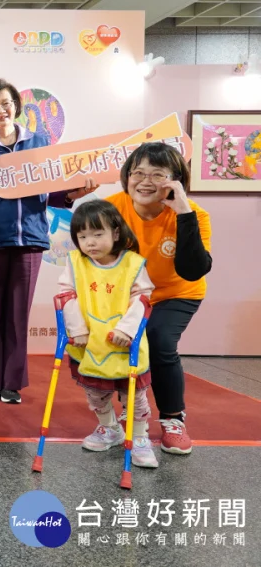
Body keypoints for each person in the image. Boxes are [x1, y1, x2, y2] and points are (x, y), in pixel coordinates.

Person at [0, 78, 97, 404]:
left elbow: (49, 188)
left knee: (18, 315)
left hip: (29, 238)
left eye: (6, 103)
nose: (1, 110)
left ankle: (11, 383)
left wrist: (74, 194)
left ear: (16, 107)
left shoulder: (38, 142)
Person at [106, 142, 211, 455]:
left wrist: (183, 213)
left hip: (176, 292)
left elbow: (193, 271)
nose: (145, 181)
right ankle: (131, 409)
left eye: (157, 174)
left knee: (159, 339)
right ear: (127, 176)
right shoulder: (110, 209)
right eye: (138, 173)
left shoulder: (194, 214)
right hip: (126, 295)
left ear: (175, 180)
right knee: (120, 339)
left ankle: (173, 418)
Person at [58, 200, 158, 468]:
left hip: (125, 343)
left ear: (115, 232)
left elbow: (142, 300)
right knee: (95, 392)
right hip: (89, 342)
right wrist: (77, 330)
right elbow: (67, 296)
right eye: (82, 237)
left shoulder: (132, 263)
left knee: (133, 394)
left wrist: (127, 329)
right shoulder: (76, 262)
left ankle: (139, 437)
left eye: (97, 234)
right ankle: (110, 428)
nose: (89, 242)